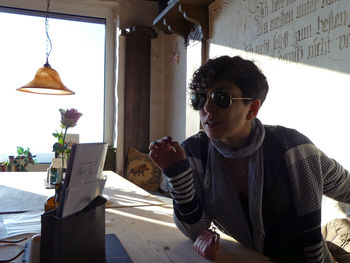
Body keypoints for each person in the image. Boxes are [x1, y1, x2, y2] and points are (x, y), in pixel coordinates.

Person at [148, 55, 350, 263]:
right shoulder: (194, 152)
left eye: (220, 97)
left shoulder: (293, 149)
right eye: (199, 99)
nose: (207, 109)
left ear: (252, 108)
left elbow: (346, 187)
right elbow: (194, 229)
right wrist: (177, 173)